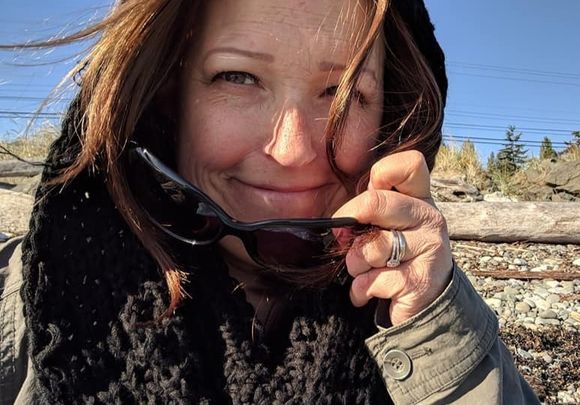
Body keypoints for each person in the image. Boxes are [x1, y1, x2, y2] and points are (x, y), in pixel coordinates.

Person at [0, 0, 539, 403]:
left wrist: (434, 333)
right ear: (166, 97)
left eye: (343, 92)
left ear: (390, 114)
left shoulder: (431, 306)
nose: (293, 150)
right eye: (238, 77)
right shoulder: (24, 301)